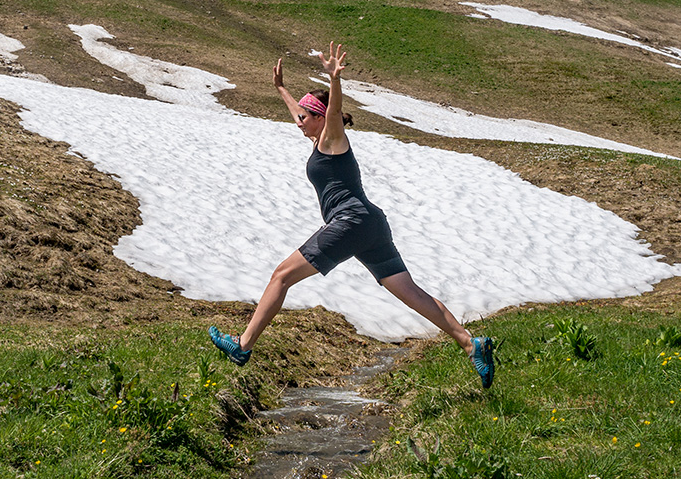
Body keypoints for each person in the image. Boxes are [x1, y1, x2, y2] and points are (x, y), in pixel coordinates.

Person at [209, 42, 495, 388]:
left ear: (320, 117)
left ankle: (242, 346)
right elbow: (302, 116)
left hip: (350, 220)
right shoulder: (317, 141)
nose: (299, 123)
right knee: (410, 292)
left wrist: (334, 81)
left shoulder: (332, 138)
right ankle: (470, 343)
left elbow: (331, 111)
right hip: (371, 224)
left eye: (305, 116)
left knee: (281, 276)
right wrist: (281, 89)